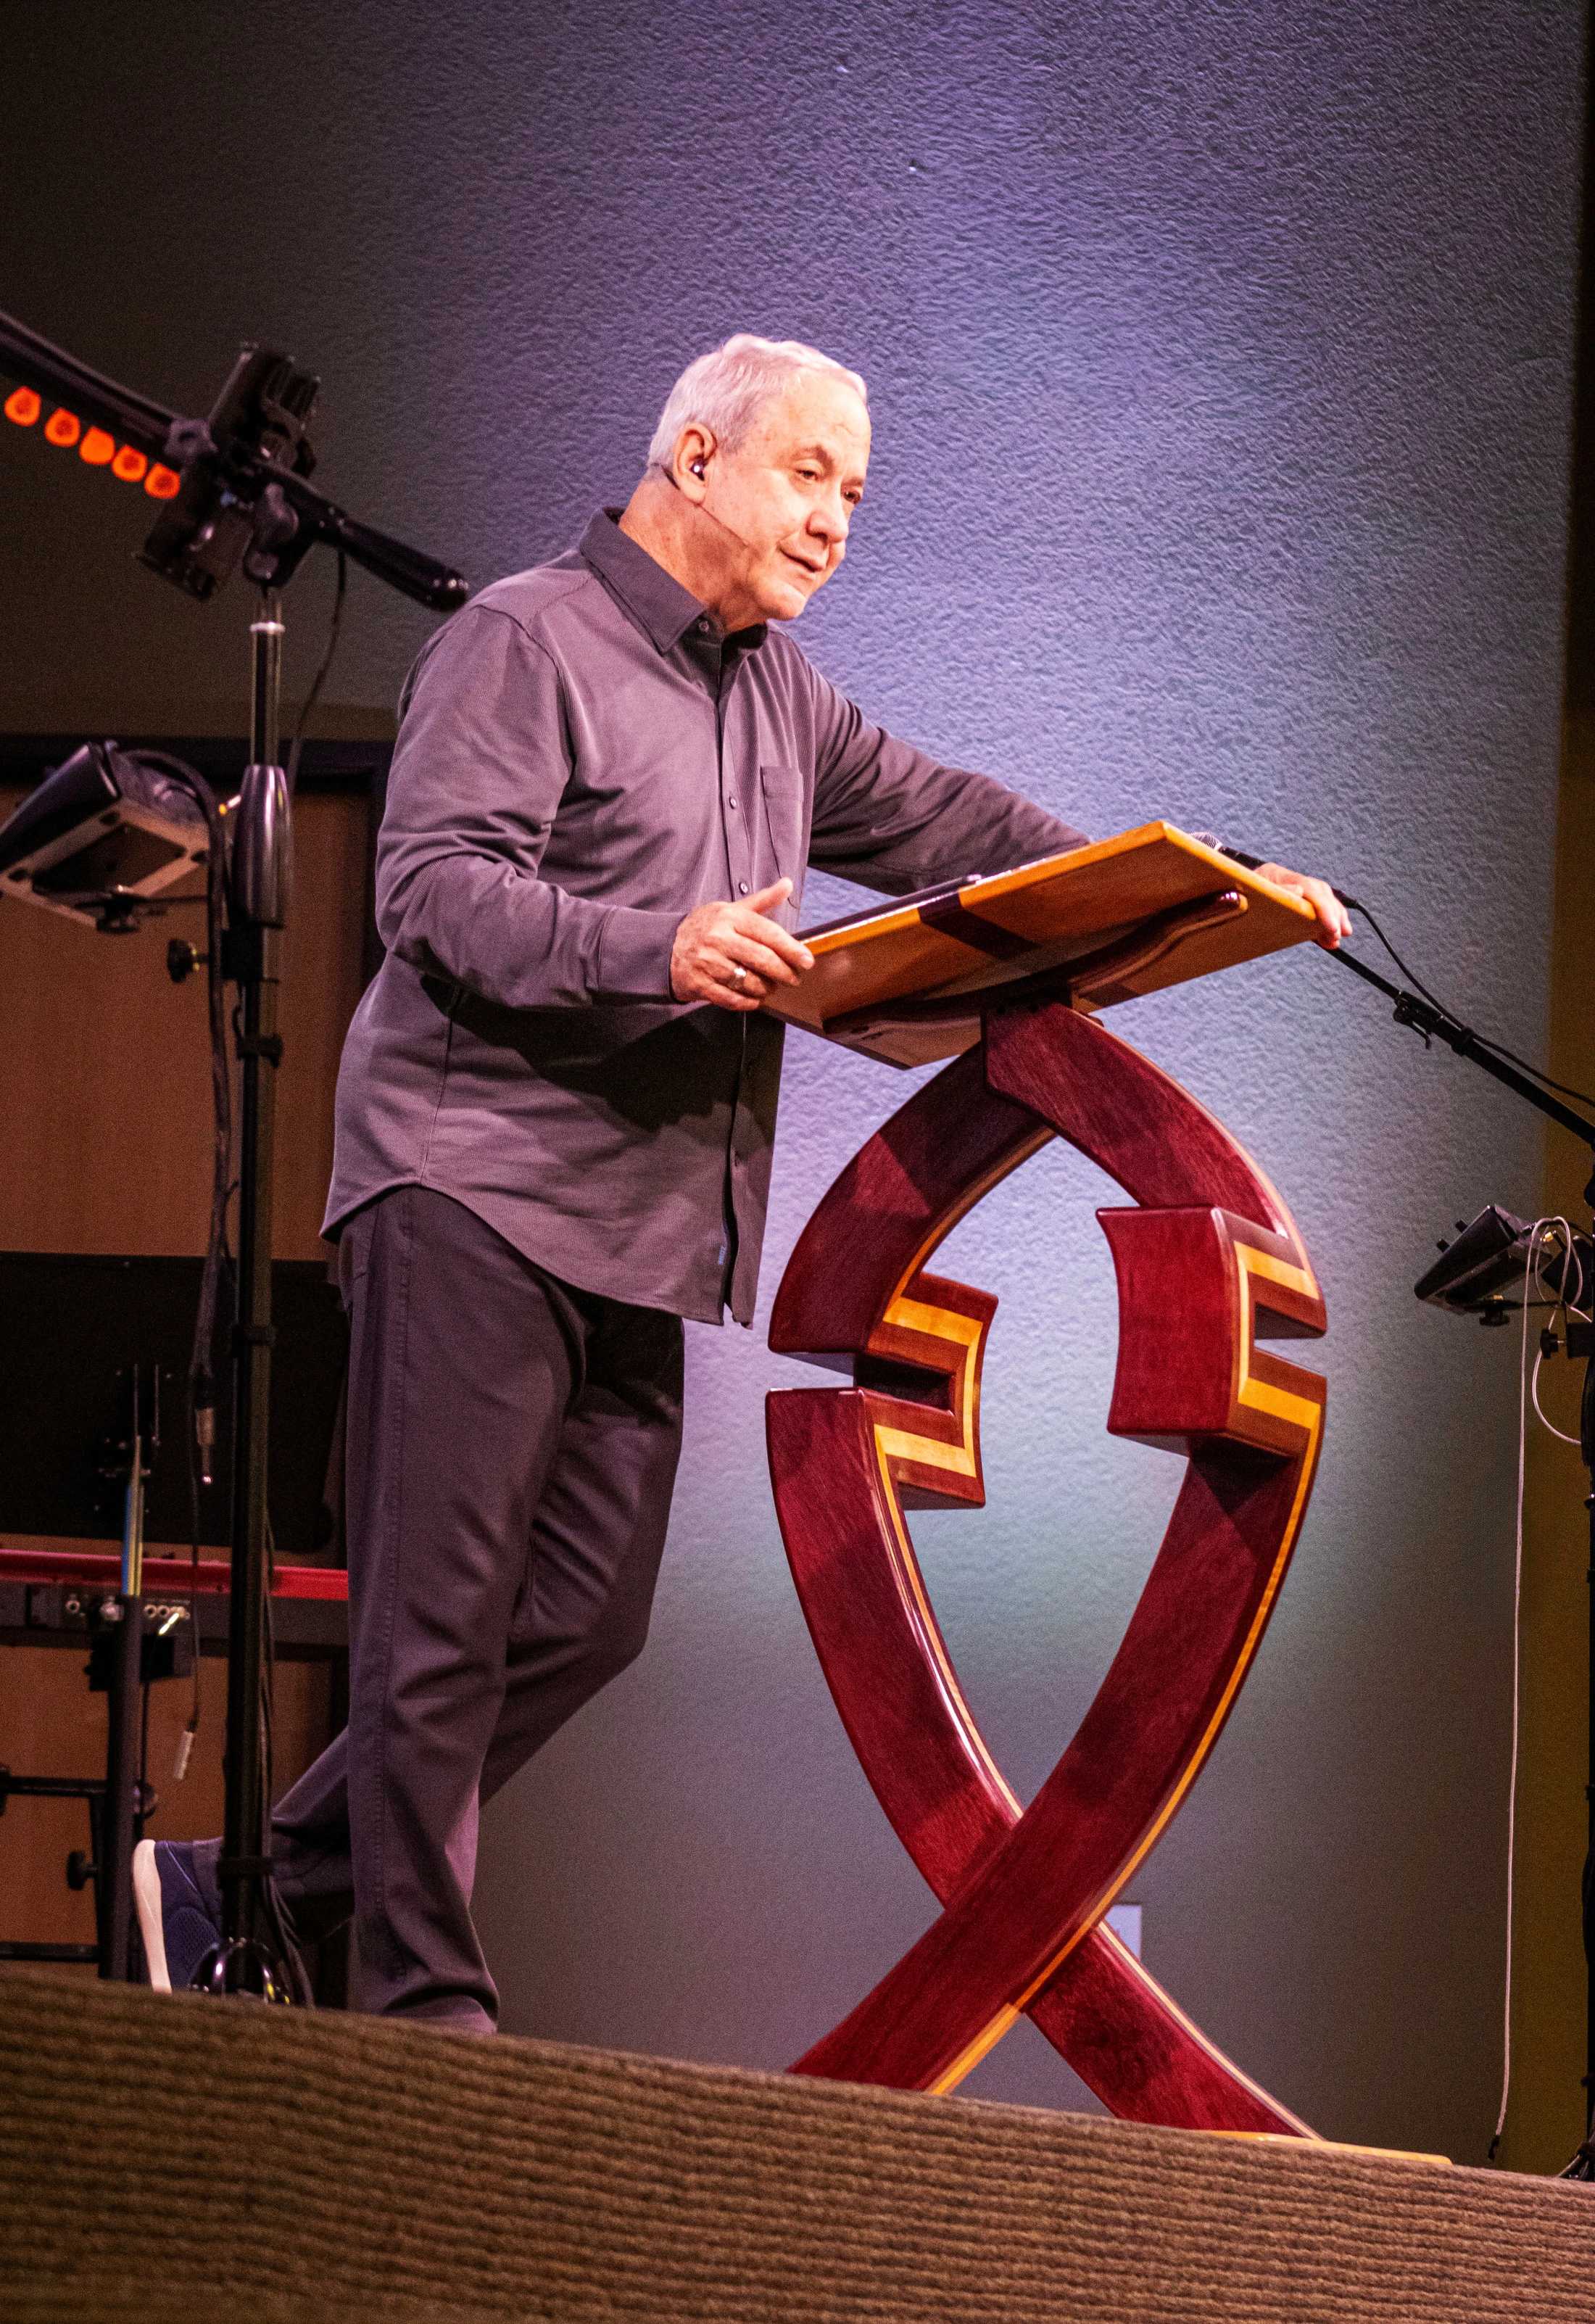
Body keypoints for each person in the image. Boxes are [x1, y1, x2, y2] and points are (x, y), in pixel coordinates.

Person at [131, 334, 1349, 2026]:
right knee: (436, 1627)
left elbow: (950, 821)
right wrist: (656, 945)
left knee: (578, 1618)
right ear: (694, 457)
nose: (837, 520)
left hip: (641, 1234)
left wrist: (1197, 881)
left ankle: (244, 1887)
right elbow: (432, 891)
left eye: (855, 492)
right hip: (467, 1184)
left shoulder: (781, 695)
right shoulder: (522, 638)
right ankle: (422, 2012)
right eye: (808, 474)